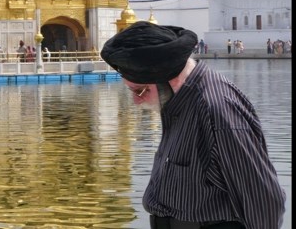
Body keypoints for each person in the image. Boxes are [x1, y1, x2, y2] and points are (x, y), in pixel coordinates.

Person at [100, 21, 285, 229]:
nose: (136, 101)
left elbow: (264, 200)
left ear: (168, 78)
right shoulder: (175, 100)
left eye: (139, 91)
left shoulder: (216, 109)